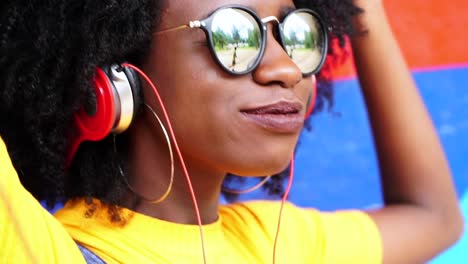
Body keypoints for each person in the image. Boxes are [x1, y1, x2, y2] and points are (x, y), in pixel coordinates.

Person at [0, 0, 463, 263]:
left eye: (295, 35)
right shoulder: (41, 249)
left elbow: (434, 218)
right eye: (232, 37)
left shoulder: (277, 241)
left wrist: (363, 8)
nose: (285, 69)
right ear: (116, 79)